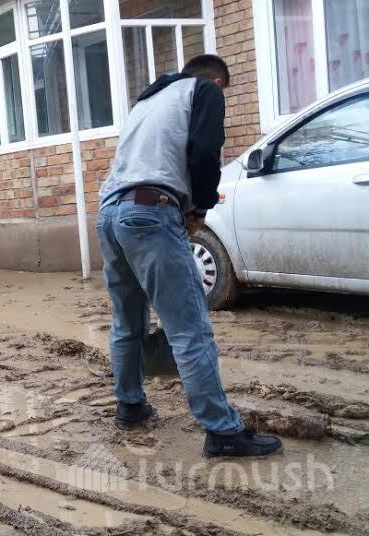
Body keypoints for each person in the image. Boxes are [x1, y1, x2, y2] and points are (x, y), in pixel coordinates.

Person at [97, 55, 282, 458]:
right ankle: (223, 431)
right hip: (150, 211)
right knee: (190, 329)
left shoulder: (148, 99)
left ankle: (130, 405)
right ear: (216, 80)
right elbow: (205, 153)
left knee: (127, 322)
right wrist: (198, 209)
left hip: (110, 213)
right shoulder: (204, 91)